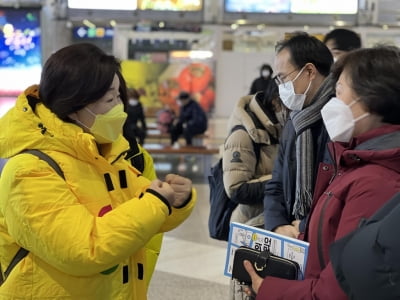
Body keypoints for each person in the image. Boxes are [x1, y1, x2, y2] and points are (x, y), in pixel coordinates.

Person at [0, 43, 197, 299]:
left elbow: (141, 213)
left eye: (118, 96)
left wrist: (175, 201)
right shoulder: (29, 170)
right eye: (109, 99)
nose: (119, 107)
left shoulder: (108, 153)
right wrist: (156, 201)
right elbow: (83, 249)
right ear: (74, 104)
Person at [242, 45, 400, 299]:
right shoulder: (352, 160)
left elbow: (340, 288)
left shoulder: (377, 182)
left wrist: (268, 290)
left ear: (373, 97)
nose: (334, 103)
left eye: (340, 92)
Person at [263, 33, 335, 238]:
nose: (280, 87)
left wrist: (305, 225)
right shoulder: (294, 123)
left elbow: (339, 193)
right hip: (292, 234)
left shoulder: (341, 121)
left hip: (324, 235)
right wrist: (277, 224)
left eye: (283, 78)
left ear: (309, 71)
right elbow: (276, 183)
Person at [224, 82, 285, 228]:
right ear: (275, 101)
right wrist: (283, 180)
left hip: (267, 218)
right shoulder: (243, 135)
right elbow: (236, 189)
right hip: (249, 224)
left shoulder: (277, 130)